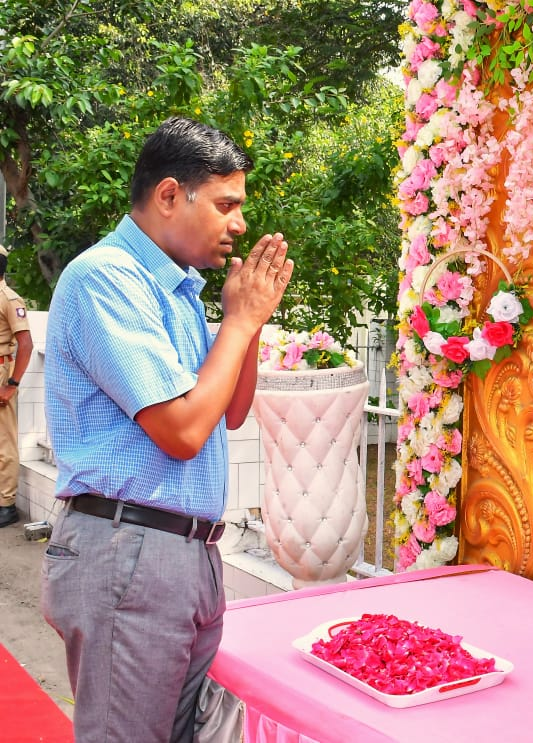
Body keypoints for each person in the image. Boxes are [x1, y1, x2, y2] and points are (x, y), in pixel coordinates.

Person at [41, 117, 293, 742]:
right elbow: (181, 431)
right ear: (170, 195)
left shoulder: (178, 289)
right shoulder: (106, 277)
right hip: (129, 549)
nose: (239, 223)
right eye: (226, 204)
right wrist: (237, 323)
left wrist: (251, 321)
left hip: (183, 555)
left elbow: (226, 412)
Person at [0, 244, 34, 529]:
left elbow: (26, 344)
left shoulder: (9, 299)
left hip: (1, 372)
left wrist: (11, 384)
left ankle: (6, 505)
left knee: (4, 442)